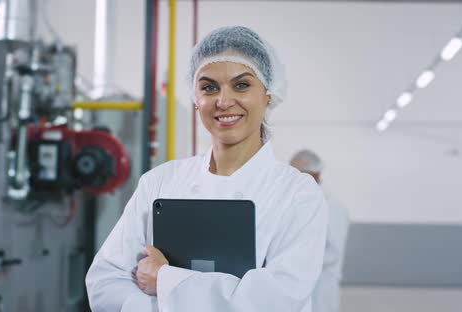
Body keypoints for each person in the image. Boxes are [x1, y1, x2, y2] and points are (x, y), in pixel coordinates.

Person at [86, 26, 328, 312]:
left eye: (241, 85)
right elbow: (104, 281)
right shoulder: (160, 182)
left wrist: (164, 280)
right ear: (195, 98)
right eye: (209, 87)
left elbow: (274, 301)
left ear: (269, 94)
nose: (223, 101)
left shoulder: (297, 194)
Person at [290, 150, 350, 312]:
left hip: (322, 285)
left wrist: (295, 261)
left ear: (317, 174)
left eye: (304, 174)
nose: (298, 180)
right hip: (300, 284)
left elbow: (333, 252)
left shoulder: (332, 206)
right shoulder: (300, 201)